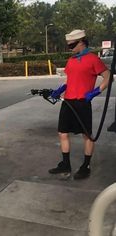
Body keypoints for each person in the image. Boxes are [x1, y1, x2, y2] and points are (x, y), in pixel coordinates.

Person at [48, 29, 110, 180]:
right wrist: (61, 89)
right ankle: (65, 164)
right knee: (62, 133)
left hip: (83, 102)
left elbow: (108, 77)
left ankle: (86, 165)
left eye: (72, 45)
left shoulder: (93, 59)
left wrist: (96, 91)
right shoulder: (71, 60)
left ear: (81, 42)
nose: (70, 48)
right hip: (68, 101)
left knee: (87, 135)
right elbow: (69, 80)